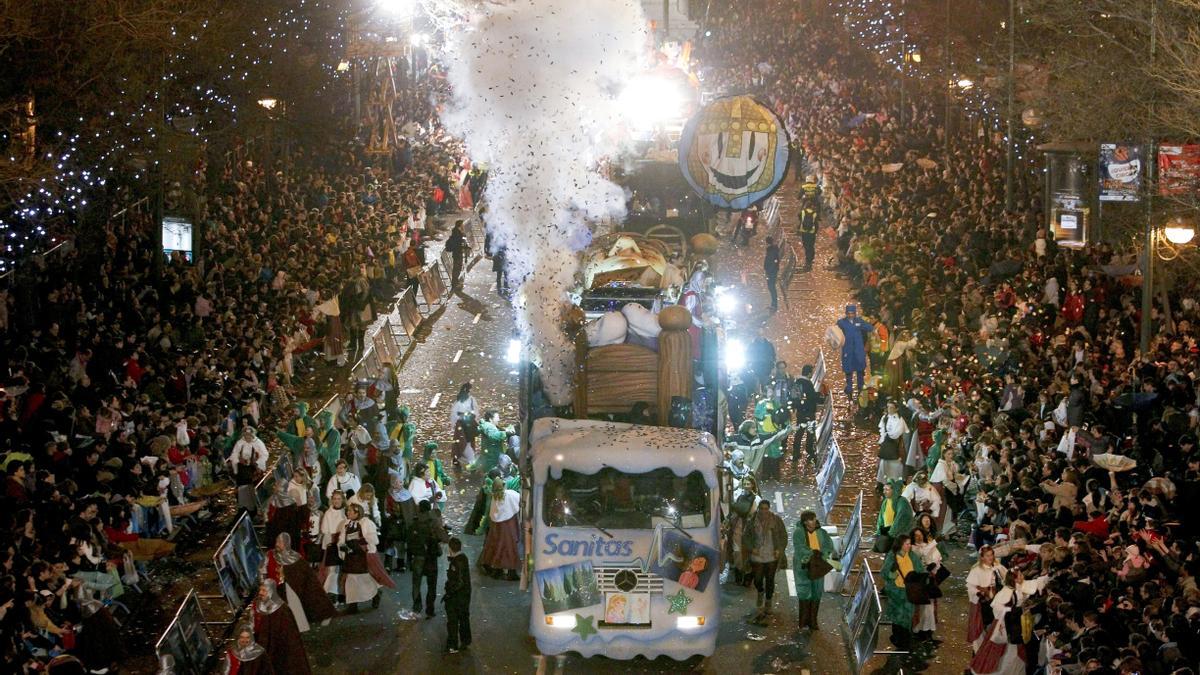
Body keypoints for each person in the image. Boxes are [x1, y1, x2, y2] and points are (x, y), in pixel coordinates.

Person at [265, 533, 337, 631]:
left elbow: (306, 573)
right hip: (277, 588)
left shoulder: (295, 557)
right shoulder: (270, 555)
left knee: (297, 603)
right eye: (277, 541)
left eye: (280, 542)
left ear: (286, 543)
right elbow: (262, 570)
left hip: (292, 587)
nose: (277, 544)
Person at [742, 500, 787, 625]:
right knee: (757, 579)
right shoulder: (752, 521)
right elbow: (745, 537)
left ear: (769, 509)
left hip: (772, 556)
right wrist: (752, 548)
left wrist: (779, 549)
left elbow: (783, 536)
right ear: (758, 509)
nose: (763, 511)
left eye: (766, 508)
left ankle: (768, 602)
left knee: (770, 580)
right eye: (761, 508)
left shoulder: (776, 520)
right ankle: (760, 592)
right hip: (757, 556)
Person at [253, 580, 312, 675]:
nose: (260, 593)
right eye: (260, 590)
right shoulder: (269, 606)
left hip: (283, 653)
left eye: (264, 591)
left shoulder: (281, 610)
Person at [792, 510, 836, 631]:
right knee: (804, 592)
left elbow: (828, 546)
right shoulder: (798, 533)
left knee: (816, 592)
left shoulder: (822, 532)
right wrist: (811, 553)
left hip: (818, 566)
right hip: (804, 566)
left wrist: (823, 554)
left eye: (813, 519)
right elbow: (799, 548)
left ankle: (813, 621)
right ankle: (803, 621)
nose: (812, 522)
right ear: (804, 522)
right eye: (809, 520)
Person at [337, 502, 381, 612]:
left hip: (362, 558)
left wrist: (360, 546)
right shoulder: (347, 524)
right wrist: (343, 547)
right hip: (351, 558)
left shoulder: (366, 523)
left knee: (365, 580)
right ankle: (353, 605)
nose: (347, 512)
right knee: (351, 581)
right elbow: (342, 539)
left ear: (357, 513)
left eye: (350, 511)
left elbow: (373, 540)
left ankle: (375, 595)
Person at [880, 534, 922, 650]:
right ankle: (898, 639)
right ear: (901, 544)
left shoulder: (912, 556)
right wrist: (892, 574)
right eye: (907, 544)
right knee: (897, 616)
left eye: (910, 543)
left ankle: (905, 640)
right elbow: (884, 573)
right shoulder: (892, 557)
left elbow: (919, 570)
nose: (909, 546)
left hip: (909, 592)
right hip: (896, 592)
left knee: (907, 616)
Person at [410, 499, 449, 617]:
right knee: (431, 584)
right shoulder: (434, 522)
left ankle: (417, 607)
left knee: (416, 583)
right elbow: (445, 539)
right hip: (431, 556)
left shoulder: (414, 522)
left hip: (418, 556)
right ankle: (430, 609)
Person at [480, 478, 521, 580]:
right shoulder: (510, 494)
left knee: (496, 547)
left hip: (496, 526)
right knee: (510, 548)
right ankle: (511, 573)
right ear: (503, 485)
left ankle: (497, 570)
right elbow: (520, 501)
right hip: (508, 525)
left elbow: (491, 513)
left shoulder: (494, 497)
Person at [965, 545, 1005, 649]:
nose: (990, 558)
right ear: (982, 557)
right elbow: (970, 587)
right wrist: (982, 593)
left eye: (991, 555)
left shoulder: (997, 567)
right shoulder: (976, 570)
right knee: (981, 628)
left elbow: (1005, 578)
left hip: (995, 602)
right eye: (987, 556)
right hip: (982, 604)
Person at [836, 304, 874, 401]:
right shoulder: (841, 323)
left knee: (860, 371)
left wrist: (874, 329)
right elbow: (835, 332)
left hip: (858, 351)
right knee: (848, 371)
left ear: (855, 313)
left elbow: (869, 327)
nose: (850, 315)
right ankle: (849, 390)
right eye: (848, 313)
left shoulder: (859, 321)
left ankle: (860, 391)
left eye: (852, 313)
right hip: (848, 351)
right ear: (846, 313)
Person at [229, 427, 267, 516]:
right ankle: (244, 509)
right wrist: (238, 460)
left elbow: (264, 455)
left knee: (252, 493)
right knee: (243, 493)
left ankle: (253, 510)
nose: (248, 437)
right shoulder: (239, 443)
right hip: (242, 474)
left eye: (249, 435)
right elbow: (233, 455)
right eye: (246, 435)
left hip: (253, 473)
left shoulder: (258, 443)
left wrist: (256, 463)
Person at [443, 536, 472, 654]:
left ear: (450, 548)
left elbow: (458, 581)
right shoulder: (463, 558)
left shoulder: (456, 562)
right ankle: (465, 640)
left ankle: (452, 644)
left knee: (453, 621)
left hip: (457, 597)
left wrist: (449, 593)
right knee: (464, 618)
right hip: (465, 596)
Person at [318, 490, 348, 602]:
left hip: (343, 545)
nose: (336, 501)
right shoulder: (328, 513)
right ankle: (331, 593)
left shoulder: (345, 512)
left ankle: (342, 593)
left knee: (343, 571)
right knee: (332, 571)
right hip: (331, 545)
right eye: (334, 499)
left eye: (339, 499)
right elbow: (325, 530)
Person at [788, 364, 819, 462]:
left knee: (799, 432)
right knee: (810, 432)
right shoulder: (807, 383)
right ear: (809, 373)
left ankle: (796, 452)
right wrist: (820, 396)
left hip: (800, 412)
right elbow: (812, 397)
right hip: (809, 412)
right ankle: (809, 451)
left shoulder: (797, 382)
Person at [877, 400, 910, 491]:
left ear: (896, 409)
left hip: (895, 446)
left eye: (892, 407)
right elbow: (882, 431)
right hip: (886, 446)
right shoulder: (885, 417)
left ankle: (897, 484)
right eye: (888, 407)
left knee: (896, 466)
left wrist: (888, 435)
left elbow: (897, 433)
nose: (889, 409)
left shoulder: (900, 420)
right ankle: (883, 483)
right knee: (884, 465)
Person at [874, 478, 914, 552]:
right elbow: (881, 518)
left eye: (887, 490)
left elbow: (900, 518)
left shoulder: (902, 502)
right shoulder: (885, 502)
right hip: (888, 535)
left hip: (898, 537)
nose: (884, 492)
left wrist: (891, 533)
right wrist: (879, 531)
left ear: (894, 490)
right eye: (884, 489)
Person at [446, 220, 469, 290]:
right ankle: (454, 283)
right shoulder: (458, 234)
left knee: (458, 268)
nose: (463, 226)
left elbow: (463, 242)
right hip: (457, 253)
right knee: (457, 269)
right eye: (462, 225)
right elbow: (460, 244)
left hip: (458, 253)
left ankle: (455, 282)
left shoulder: (458, 233)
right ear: (460, 225)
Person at [797, 198, 818, 272]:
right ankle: (810, 259)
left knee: (806, 246)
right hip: (811, 233)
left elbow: (799, 218)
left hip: (804, 232)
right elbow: (816, 224)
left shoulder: (802, 212)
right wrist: (815, 232)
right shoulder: (815, 213)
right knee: (811, 246)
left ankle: (808, 261)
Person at [764, 236, 781, 312]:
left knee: (771, 288)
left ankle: (774, 305)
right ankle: (773, 304)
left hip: (771, 272)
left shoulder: (771, 251)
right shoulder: (773, 250)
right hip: (772, 271)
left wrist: (768, 272)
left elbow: (772, 263)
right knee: (771, 288)